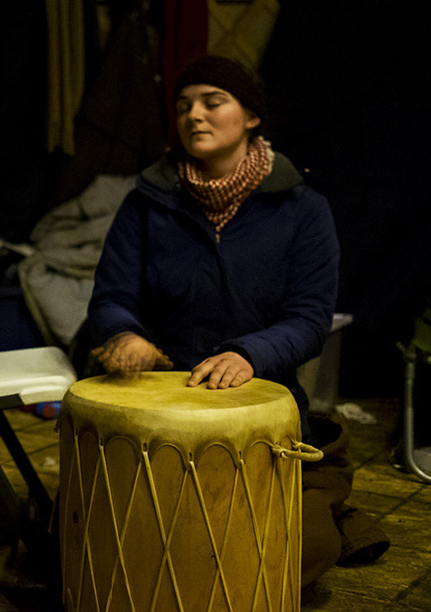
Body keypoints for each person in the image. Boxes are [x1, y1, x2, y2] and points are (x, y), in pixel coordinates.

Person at [86, 54, 387, 587]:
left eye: (212, 102)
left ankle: (323, 507)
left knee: (294, 553)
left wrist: (249, 354)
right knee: (96, 545)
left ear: (250, 116)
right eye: (183, 106)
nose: (194, 115)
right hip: (160, 404)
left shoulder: (302, 209)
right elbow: (111, 297)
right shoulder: (146, 204)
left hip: (260, 408)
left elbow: (309, 319)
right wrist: (124, 333)